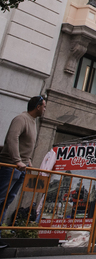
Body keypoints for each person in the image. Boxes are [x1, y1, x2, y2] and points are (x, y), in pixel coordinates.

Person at [0, 95, 46, 231]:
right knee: (1, 199)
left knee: (7, 201)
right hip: (11, 166)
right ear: (37, 107)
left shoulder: (32, 121)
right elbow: (12, 138)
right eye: (44, 106)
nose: (45, 109)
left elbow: (24, 144)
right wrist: (17, 160)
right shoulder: (21, 118)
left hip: (21, 168)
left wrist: (28, 160)